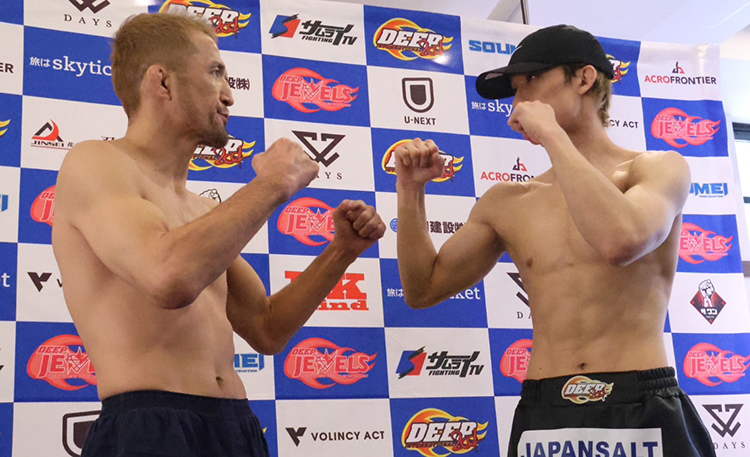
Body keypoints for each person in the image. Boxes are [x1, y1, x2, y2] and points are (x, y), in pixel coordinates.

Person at [51, 12, 385, 457]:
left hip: (234, 426)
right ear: (162, 82)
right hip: (149, 427)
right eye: (215, 73)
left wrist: (341, 251)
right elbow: (167, 277)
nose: (229, 94)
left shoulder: (202, 210)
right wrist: (274, 183)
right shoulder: (96, 163)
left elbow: (267, 328)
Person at [395, 25, 715, 457]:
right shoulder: (508, 201)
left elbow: (621, 241)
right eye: (515, 91)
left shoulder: (657, 168)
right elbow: (423, 290)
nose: (518, 103)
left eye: (530, 82)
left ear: (583, 79)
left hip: (639, 400)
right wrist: (411, 190)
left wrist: (553, 137)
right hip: (546, 407)